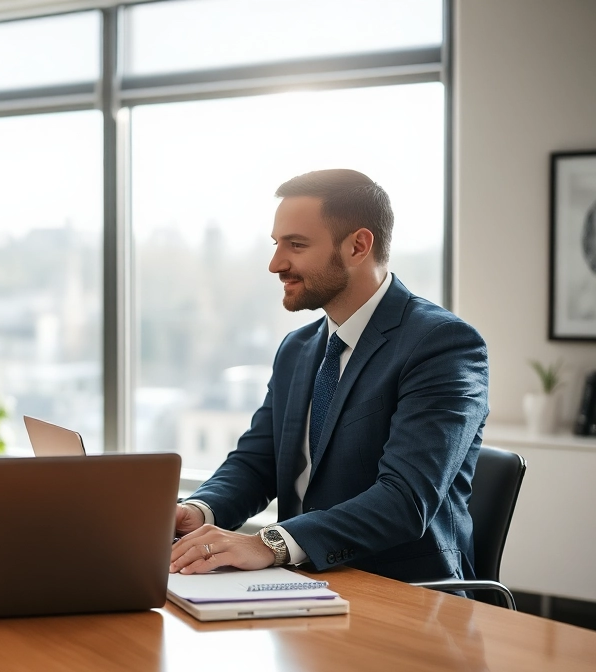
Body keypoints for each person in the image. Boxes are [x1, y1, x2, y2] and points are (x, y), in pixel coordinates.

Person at [170, 169, 488, 584]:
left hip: (404, 594)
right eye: (276, 244)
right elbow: (258, 461)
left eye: (296, 245)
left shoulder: (442, 344)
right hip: (300, 583)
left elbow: (404, 500)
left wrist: (268, 544)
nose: (275, 263)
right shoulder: (298, 349)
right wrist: (196, 512)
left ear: (358, 246)